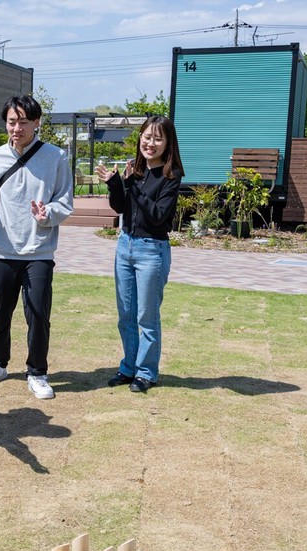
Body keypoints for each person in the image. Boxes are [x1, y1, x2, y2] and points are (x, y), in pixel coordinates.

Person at [0, 95, 73, 400]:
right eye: (12, 122)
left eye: (23, 122)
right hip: (1, 251)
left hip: (38, 252)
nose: (16, 128)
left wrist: (48, 215)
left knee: (38, 314)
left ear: (37, 123)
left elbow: (65, 201)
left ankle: (38, 372)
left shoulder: (55, 157)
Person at [95, 115, 184, 394]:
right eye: (147, 137)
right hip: (125, 246)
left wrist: (133, 185)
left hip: (151, 250)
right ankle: (128, 367)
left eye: (158, 138)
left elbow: (158, 216)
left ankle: (146, 372)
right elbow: (121, 206)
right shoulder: (136, 170)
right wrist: (114, 183)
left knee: (147, 317)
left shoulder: (171, 176)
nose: (150, 143)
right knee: (126, 315)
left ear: (168, 143)